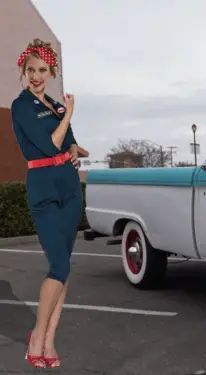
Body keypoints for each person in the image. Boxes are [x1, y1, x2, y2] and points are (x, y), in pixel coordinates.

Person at [11, 38, 83, 369]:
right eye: (31, 70)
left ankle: (50, 341)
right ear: (24, 73)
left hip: (69, 188)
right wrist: (68, 116)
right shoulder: (21, 106)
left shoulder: (54, 105)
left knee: (64, 269)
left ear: (51, 72)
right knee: (59, 266)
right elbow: (50, 143)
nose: (37, 76)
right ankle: (37, 336)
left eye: (42, 70)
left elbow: (68, 145)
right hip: (42, 188)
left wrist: (74, 151)